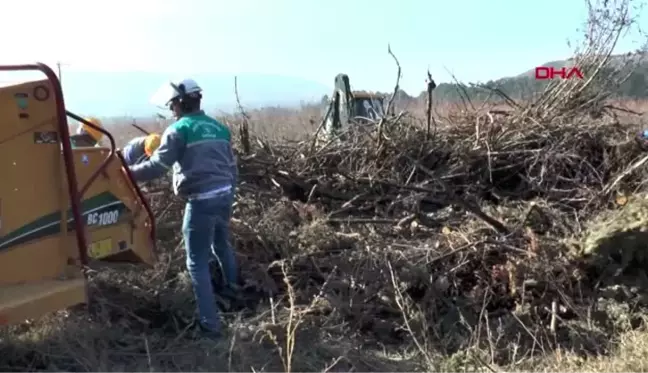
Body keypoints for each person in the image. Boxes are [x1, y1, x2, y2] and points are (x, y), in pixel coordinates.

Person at [128, 78, 239, 339]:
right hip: (225, 196)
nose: (171, 109)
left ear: (180, 103)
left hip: (201, 201)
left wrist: (125, 172)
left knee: (196, 262)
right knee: (222, 246)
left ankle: (210, 327)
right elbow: (233, 167)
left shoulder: (180, 130)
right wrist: (229, 192)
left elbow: (156, 167)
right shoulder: (219, 128)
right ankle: (235, 293)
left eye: (172, 104)